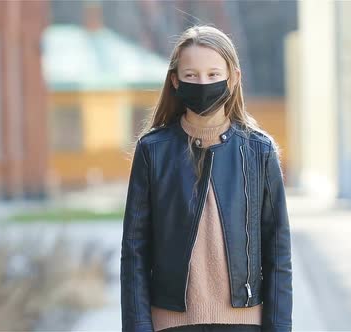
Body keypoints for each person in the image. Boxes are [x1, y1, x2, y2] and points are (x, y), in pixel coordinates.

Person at [120, 25, 293, 332]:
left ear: (234, 78)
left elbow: (278, 254)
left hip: (244, 323)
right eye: (191, 75)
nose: (203, 83)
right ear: (175, 81)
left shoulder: (259, 151)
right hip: (171, 323)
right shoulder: (153, 151)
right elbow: (134, 252)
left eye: (214, 74)